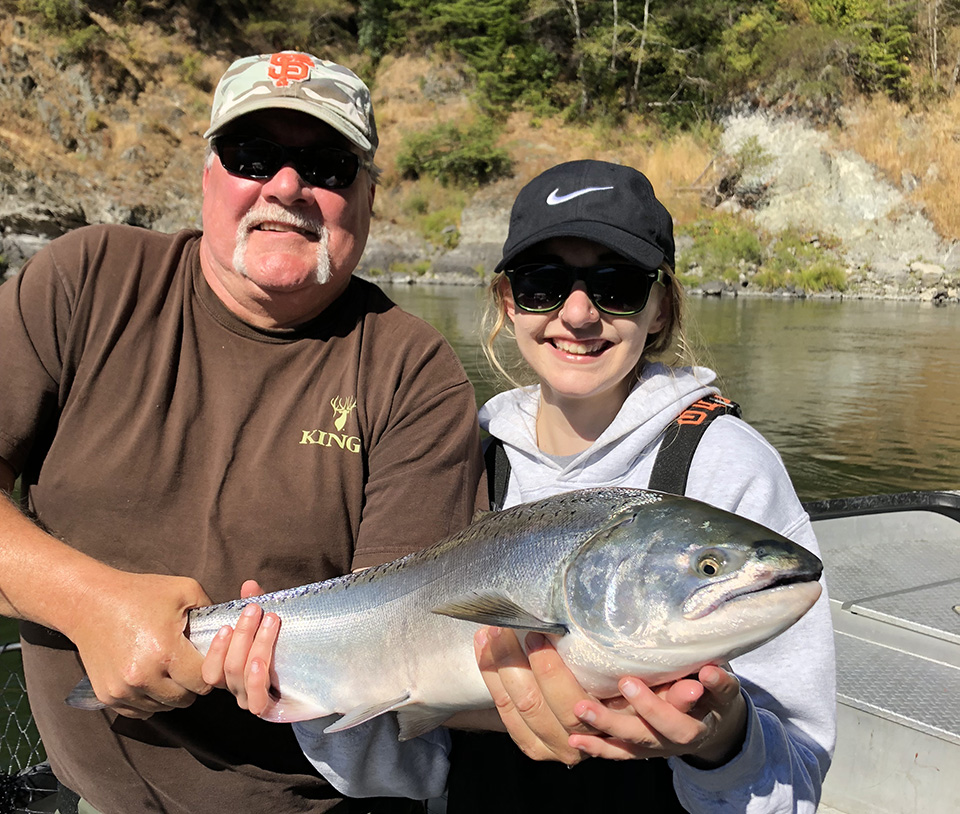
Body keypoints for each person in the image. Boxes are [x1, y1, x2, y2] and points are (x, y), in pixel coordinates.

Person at [207, 160, 836, 814]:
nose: (578, 312)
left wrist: (720, 741)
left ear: (660, 307)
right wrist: (306, 693)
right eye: (543, 284)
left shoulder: (728, 467)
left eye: (617, 284)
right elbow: (411, 771)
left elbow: (795, 777)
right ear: (508, 304)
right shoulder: (463, 459)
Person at [0, 51, 484, 814]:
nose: (287, 187)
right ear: (207, 175)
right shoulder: (84, 281)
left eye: (326, 164)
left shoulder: (413, 370)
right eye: (253, 155)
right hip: (89, 795)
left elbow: (401, 641)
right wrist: (86, 602)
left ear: (367, 198)